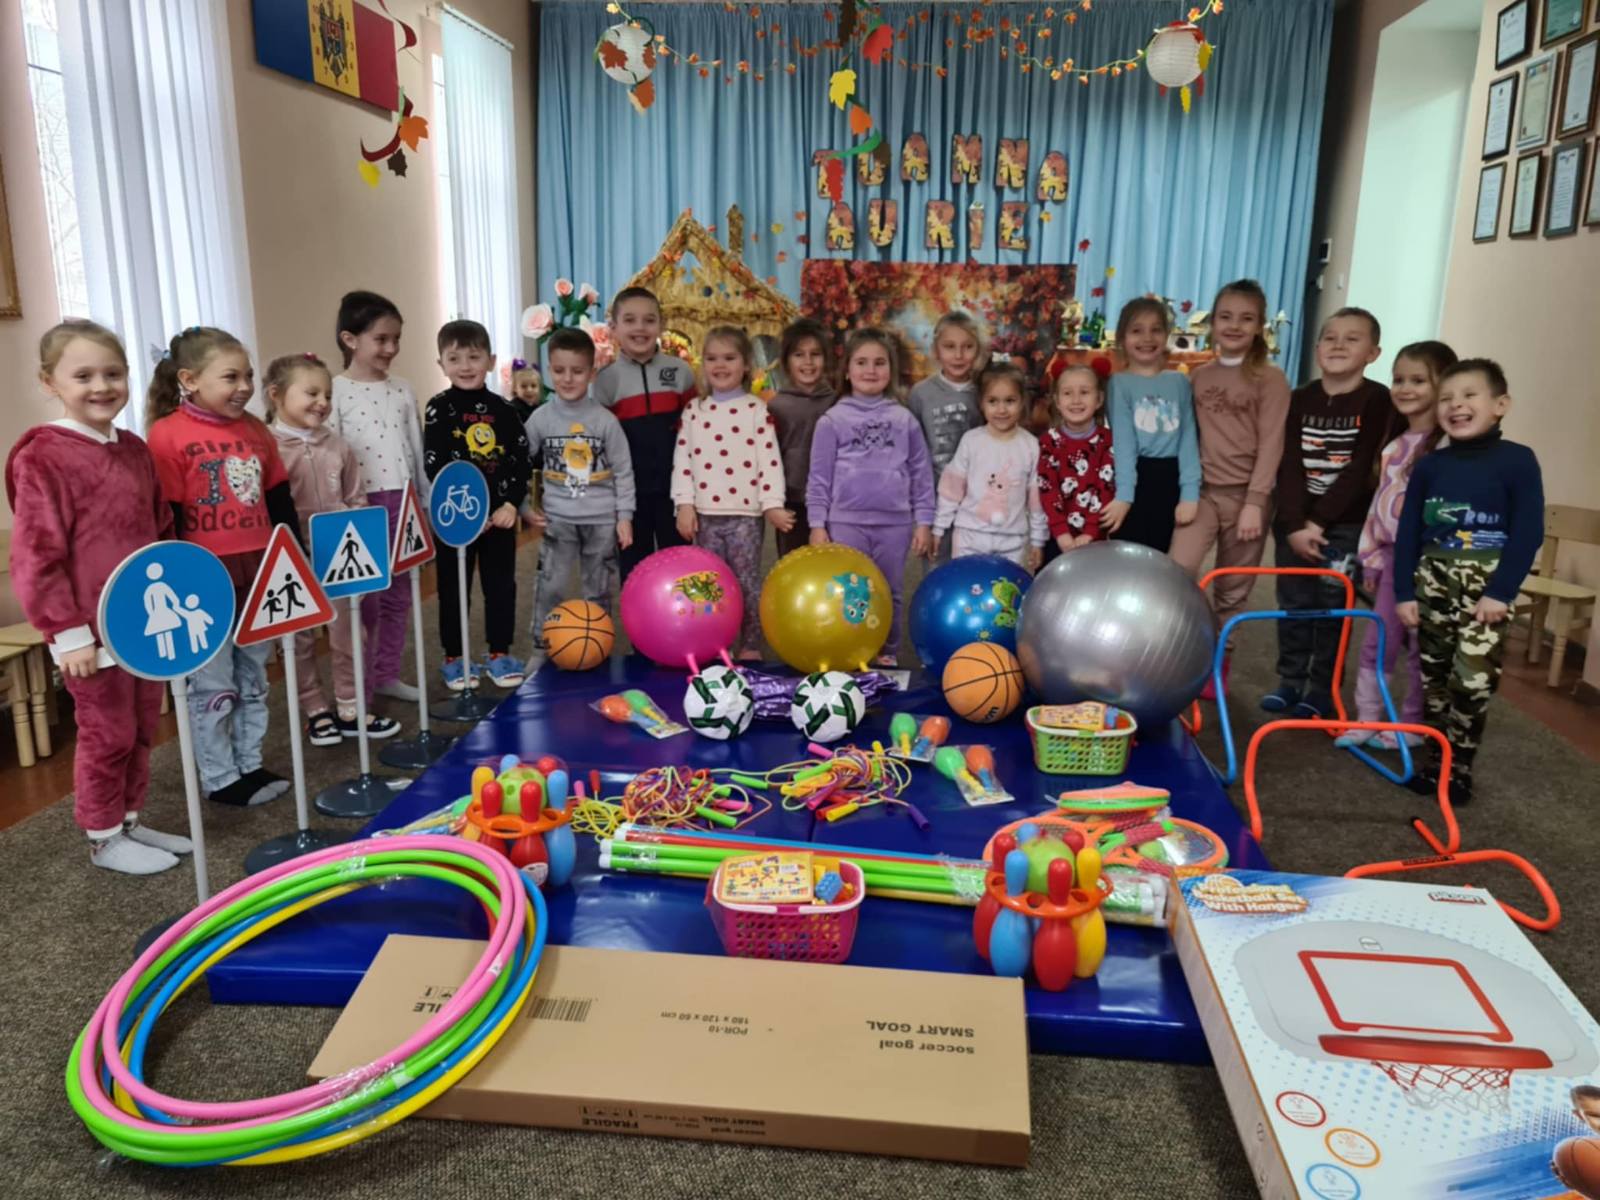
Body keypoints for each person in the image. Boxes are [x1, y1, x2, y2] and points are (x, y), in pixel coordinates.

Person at [6, 321, 192, 874]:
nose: (101, 386)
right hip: (86, 631)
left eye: (113, 373)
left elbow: (161, 529)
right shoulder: (42, 456)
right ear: (50, 381)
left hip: (140, 622)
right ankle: (103, 836)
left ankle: (129, 819)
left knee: (140, 725)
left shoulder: (133, 449)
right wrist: (67, 632)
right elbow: (37, 556)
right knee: (105, 731)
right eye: (83, 375)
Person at [145, 326, 300, 808]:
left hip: (257, 571)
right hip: (200, 582)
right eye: (230, 376)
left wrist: (294, 562)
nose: (245, 386)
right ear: (189, 380)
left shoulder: (256, 431)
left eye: (249, 376)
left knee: (254, 674)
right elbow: (164, 515)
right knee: (214, 681)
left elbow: (279, 502)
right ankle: (220, 775)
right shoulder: (167, 434)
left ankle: (249, 763)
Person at [1395, 358, 1542, 806]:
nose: (1455, 405)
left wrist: (1502, 591)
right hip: (1432, 580)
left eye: (1469, 396)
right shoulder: (1429, 466)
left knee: (1472, 682)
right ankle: (1435, 764)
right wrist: (1405, 592)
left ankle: (1460, 768)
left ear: (1501, 404)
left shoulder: (1518, 460)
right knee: (1434, 679)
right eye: (1446, 399)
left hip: (1486, 588)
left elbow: (1528, 530)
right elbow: (1407, 535)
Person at [1266, 307, 1399, 718]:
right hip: (1293, 524)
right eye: (1330, 337)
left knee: (1330, 604)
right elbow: (1286, 464)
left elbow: (1363, 469)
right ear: (1318, 347)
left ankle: (1322, 688)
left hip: (1343, 526)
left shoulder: (1379, 401)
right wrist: (1293, 525)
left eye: (1352, 338)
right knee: (1294, 601)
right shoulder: (1299, 398)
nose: (1338, 344)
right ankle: (1290, 680)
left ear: (1373, 353)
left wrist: (1318, 523)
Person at [268, 352, 401, 746]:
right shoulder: (268, 448)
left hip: (341, 559)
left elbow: (356, 499)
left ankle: (350, 705)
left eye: (326, 394)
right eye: (311, 393)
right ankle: (314, 708)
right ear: (276, 395)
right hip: (294, 561)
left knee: (348, 633)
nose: (322, 402)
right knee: (301, 639)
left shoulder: (339, 447)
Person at [1169, 281, 1292, 698]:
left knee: (1233, 587)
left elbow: (1273, 441)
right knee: (1179, 570)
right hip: (1202, 493)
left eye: (1246, 318)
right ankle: (1190, 649)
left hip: (1247, 498)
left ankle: (1221, 658)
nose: (1235, 325)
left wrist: (1256, 502)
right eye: (1226, 316)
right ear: (1211, 322)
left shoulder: (1270, 379)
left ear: (1260, 326)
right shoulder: (1198, 377)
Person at [1337, 342, 1456, 751]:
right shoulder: (1394, 445)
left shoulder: (1446, 449)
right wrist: (1369, 552)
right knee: (1379, 639)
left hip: (1432, 564)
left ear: (1443, 385)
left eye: (1418, 380)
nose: (1405, 388)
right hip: (1391, 560)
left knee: (1421, 646)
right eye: (1399, 379)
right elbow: (1378, 506)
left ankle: (1411, 725)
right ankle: (1367, 718)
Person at [806, 328, 936, 667]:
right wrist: (817, 524)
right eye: (861, 362)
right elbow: (818, 477)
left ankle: (887, 653)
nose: (870, 370)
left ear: (890, 370)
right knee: (851, 591)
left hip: (895, 523)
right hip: (846, 522)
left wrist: (923, 521)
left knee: (889, 590)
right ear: (847, 371)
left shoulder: (904, 419)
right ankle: (853, 649)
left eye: (879, 363)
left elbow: (921, 474)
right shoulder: (832, 420)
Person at [423, 319, 534, 689]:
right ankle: (454, 656)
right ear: (441, 364)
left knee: (501, 585)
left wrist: (509, 504)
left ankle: (499, 653)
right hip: (454, 518)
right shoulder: (438, 408)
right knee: (453, 587)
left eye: (474, 356)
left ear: (491, 360)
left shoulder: (505, 410)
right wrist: (467, 513)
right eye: (454, 358)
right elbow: (434, 463)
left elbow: (519, 462)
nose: (465, 366)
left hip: (499, 520)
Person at [329, 290, 428, 703]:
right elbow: (330, 453)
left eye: (396, 339)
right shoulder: (334, 391)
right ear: (351, 339)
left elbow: (415, 447)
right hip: (359, 508)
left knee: (398, 596)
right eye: (381, 339)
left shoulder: (402, 389)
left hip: (403, 502)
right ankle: (359, 686)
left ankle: (387, 672)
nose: (391, 348)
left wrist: (422, 501)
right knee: (363, 602)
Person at [672, 326, 791, 660]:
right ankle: (714, 638)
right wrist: (684, 504)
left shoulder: (756, 410)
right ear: (702, 364)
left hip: (745, 515)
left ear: (745, 364)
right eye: (712, 358)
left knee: (745, 580)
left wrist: (772, 504)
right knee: (709, 583)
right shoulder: (694, 410)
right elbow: (683, 461)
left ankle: (750, 643)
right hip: (706, 515)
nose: (720, 365)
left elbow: (770, 460)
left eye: (729, 358)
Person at [525, 327, 635, 646]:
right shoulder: (540, 419)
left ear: (592, 373)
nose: (568, 379)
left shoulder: (605, 422)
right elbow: (518, 464)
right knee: (551, 584)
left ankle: (597, 646)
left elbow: (623, 471)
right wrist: (522, 505)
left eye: (577, 371)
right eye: (559, 371)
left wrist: (624, 516)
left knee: (598, 588)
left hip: (602, 520)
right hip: (558, 519)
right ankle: (541, 646)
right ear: (549, 370)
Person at [592, 287, 697, 579]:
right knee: (634, 568)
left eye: (649, 320)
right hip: (629, 495)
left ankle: (682, 624)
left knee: (679, 565)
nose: (640, 327)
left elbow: (695, 432)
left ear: (661, 326)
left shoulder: (681, 371)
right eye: (630, 320)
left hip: (674, 490)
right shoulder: (606, 381)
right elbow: (600, 444)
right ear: (614, 328)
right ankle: (639, 624)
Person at [1101, 298, 1201, 551]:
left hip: (1171, 477)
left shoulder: (1179, 381)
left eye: (1155, 329)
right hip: (1135, 477)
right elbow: (1123, 443)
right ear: (1122, 338)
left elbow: (1189, 439)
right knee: (1131, 555)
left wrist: (1190, 493)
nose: (1147, 338)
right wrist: (1124, 496)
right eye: (1137, 330)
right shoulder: (1119, 383)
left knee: (1166, 555)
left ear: (1167, 335)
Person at [930, 361, 1048, 569]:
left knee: (1006, 594)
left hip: (1013, 540)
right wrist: (939, 528)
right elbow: (951, 490)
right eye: (993, 401)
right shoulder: (971, 440)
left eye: (1010, 400)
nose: (1001, 409)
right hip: (969, 536)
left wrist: (1038, 540)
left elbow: (1037, 501)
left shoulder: (1030, 445)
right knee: (966, 589)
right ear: (981, 403)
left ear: (1022, 402)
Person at [908, 312, 986, 563]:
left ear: (977, 350)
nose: (959, 355)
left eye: (967, 347)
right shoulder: (921, 394)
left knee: (972, 559)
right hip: (935, 495)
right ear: (935, 350)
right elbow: (913, 450)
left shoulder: (985, 391)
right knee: (935, 559)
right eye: (950, 347)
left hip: (975, 496)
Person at [766, 318, 836, 558]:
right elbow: (768, 458)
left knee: (832, 563)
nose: (808, 362)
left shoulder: (838, 402)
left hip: (833, 500)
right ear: (786, 361)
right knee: (793, 562)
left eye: (815, 354)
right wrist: (772, 502)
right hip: (792, 502)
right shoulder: (776, 406)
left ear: (826, 359)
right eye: (799, 355)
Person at [1036, 362, 1116, 565]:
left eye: (1084, 392)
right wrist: (1061, 533)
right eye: (1067, 393)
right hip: (1056, 536)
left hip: (1095, 538)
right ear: (1056, 400)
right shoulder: (1048, 442)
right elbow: (1047, 490)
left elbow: (1105, 488)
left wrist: (1090, 532)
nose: (1076, 400)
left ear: (1099, 399)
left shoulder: (1108, 441)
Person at [508, 359, 543, 424]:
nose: (529, 390)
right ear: (515, 388)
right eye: (524, 386)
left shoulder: (540, 408)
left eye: (533, 386)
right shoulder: (512, 409)